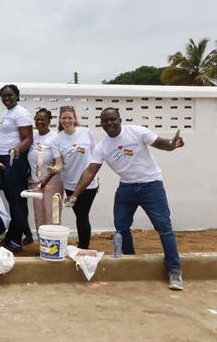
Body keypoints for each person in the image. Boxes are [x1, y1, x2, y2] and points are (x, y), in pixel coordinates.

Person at [65, 108, 185, 290]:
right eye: (105, 121)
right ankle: (130, 260)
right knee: (121, 225)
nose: (110, 124)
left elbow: (162, 144)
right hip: (126, 188)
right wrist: (75, 194)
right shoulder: (103, 147)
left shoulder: (136, 131)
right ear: (101, 124)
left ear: (120, 119)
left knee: (164, 227)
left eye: (113, 120)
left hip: (151, 185)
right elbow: (90, 171)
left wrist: (173, 144)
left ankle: (174, 270)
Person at [52, 105, 98, 249]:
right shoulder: (57, 139)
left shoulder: (86, 132)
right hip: (70, 185)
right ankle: (83, 246)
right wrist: (55, 168)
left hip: (89, 184)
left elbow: (95, 157)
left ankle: (83, 248)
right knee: (80, 216)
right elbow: (59, 164)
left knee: (82, 216)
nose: (67, 121)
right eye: (64, 118)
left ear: (75, 119)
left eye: (69, 118)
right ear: (60, 120)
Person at [0, 84, 33, 253]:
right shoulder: (7, 113)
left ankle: (16, 241)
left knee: (17, 202)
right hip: (5, 159)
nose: (7, 98)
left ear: (17, 95)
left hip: (15, 160)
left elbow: (28, 138)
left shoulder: (21, 112)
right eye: (4, 96)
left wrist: (16, 150)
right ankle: (16, 234)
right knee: (13, 200)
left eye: (10, 95)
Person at [27, 108, 63, 232]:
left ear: (49, 121)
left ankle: (53, 247)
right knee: (39, 217)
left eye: (43, 119)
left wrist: (46, 179)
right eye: (37, 119)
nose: (39, 122)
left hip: (52, 183)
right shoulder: (34, 138)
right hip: (36, 183)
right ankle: (43, 247)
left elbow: (59, 163)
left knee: (53, 216)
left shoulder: (55, 137)